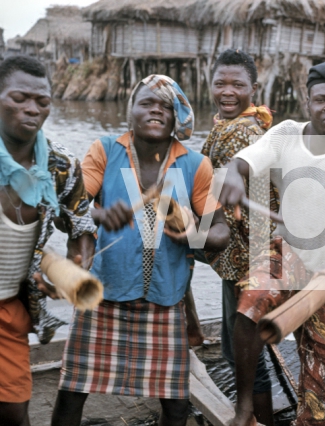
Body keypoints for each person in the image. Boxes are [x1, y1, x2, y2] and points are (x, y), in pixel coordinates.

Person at [218, 55, 325, 425]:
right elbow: (245, 161)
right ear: (307, 99)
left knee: (324, 410)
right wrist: (233, 173)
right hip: (290, 254)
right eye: (322, 99)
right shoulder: (285, 134)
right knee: (249, 305)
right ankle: (244, 406)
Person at [51, 75, 230, 426]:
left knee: (177, 407)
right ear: (130, 110)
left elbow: (221, 232)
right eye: (146, 102)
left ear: (177, 116)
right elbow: (66, 212)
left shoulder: (194, 165)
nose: (156, 111)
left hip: (165, 301)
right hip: (104, 295)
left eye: (165, 106)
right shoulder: (105, 150)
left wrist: (195, 234)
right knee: (72, 391)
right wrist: (99, 214)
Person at [0, 55, 96, 426]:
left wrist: (74, 268)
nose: (32, 109)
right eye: (19, 98)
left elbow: (81, 228)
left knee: (13, 412)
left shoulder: (61, 166)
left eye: (42, 101)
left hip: (10, 305)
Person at [199, 49, 277, 426]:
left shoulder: (241, 132)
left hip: (246, 259)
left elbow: (218, 203)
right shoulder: (233, 125)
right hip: (245, 254)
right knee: (245, 348)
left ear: (254, 88)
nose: (227, 91)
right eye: (220, 83)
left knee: (242, 353)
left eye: (237, 85)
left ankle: (256, 420)